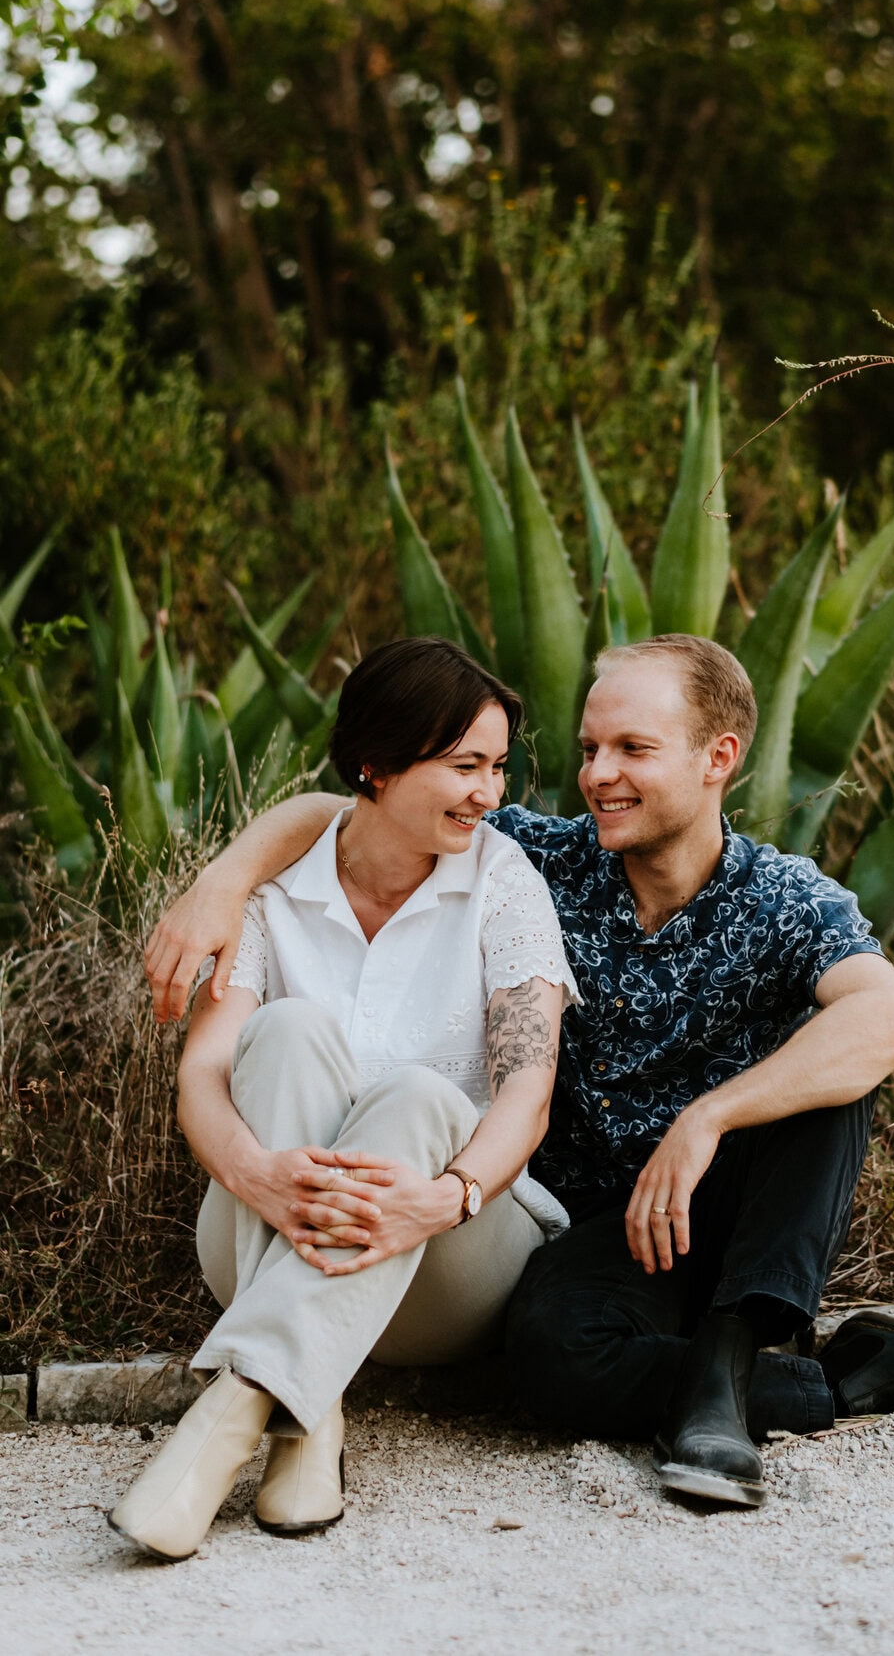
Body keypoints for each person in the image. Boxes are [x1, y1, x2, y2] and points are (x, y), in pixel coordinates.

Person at [146, 634, 894, 1514]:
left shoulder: (782, 897)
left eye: (633, 748)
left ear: (718, 757)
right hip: (599, 1240)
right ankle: (841, 1376)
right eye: (589, 748)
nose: (597, 774)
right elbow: (361, 805)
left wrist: (705, 1120)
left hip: (732, 1213)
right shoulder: (546, 859)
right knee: (540, 1365)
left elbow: (890, 1015)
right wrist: (224, 880)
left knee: (836, 1072)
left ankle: (728, 1374)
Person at [109, 638, 579, 1560]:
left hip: (452, 1252)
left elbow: (528, 1095)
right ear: (376, 762)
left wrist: (443, 1197)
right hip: (261, 1226)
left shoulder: (504, 880)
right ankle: (304, 1409)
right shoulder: (267, 893)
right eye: (463, 765)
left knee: (413, 1094)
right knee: (281, 1033)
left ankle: (228, 1424)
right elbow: (201, 1076)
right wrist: (259, 1174)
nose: (491, 793)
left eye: (497, 767)